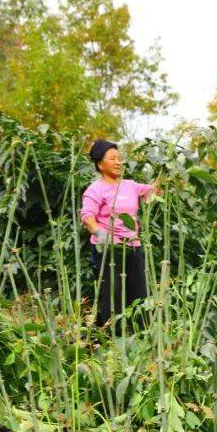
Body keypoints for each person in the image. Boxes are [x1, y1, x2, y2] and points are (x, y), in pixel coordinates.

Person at [80, 139, 160, 330]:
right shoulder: (95, 189)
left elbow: (153, 192)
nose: (118, 162)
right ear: (100, 164)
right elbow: (87, 216)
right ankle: (109, 337)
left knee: (139, 292)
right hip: (110, 248)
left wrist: (164, 174)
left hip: (133, 245)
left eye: (119, 158)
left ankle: (140, 334)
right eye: (112, 158)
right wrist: (100, 233)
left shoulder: (130, 185)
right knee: (112, 293)